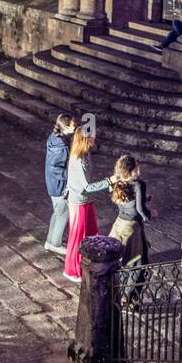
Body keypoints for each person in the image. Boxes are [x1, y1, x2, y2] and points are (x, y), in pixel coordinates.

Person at [63, 129, 112, 284]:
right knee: (77, 237)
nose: (95, 137)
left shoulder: (86, 153)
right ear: (85, 139)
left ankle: (88, 262)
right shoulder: (78, 159)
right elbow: (87, 187)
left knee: (91, 232)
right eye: (92, 136)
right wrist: (109, 181)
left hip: (86, 200)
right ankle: (71, 270)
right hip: (78, 201)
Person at [107, 155, 150, 269]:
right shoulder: (139, 185)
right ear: (132, 170)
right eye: (137, 165)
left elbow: (127, 201)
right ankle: (132, 286)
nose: (139, 167)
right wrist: (149, 215)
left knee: (117, 257)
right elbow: (140, 210)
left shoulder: (116, 183)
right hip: (132, 226)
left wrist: (144, 198)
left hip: (119, 224)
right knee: (135, 261)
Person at [43, 113, 75, 257]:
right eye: (72, 125)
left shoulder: (54, 138)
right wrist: (70, 177)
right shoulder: (60, 146)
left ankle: (51, 241)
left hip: (52, 183)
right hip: (58, 185)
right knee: (63, 213)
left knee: (57, 212)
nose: (74, 127)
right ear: (66, 126)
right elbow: (56, 168)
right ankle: (55, 244)